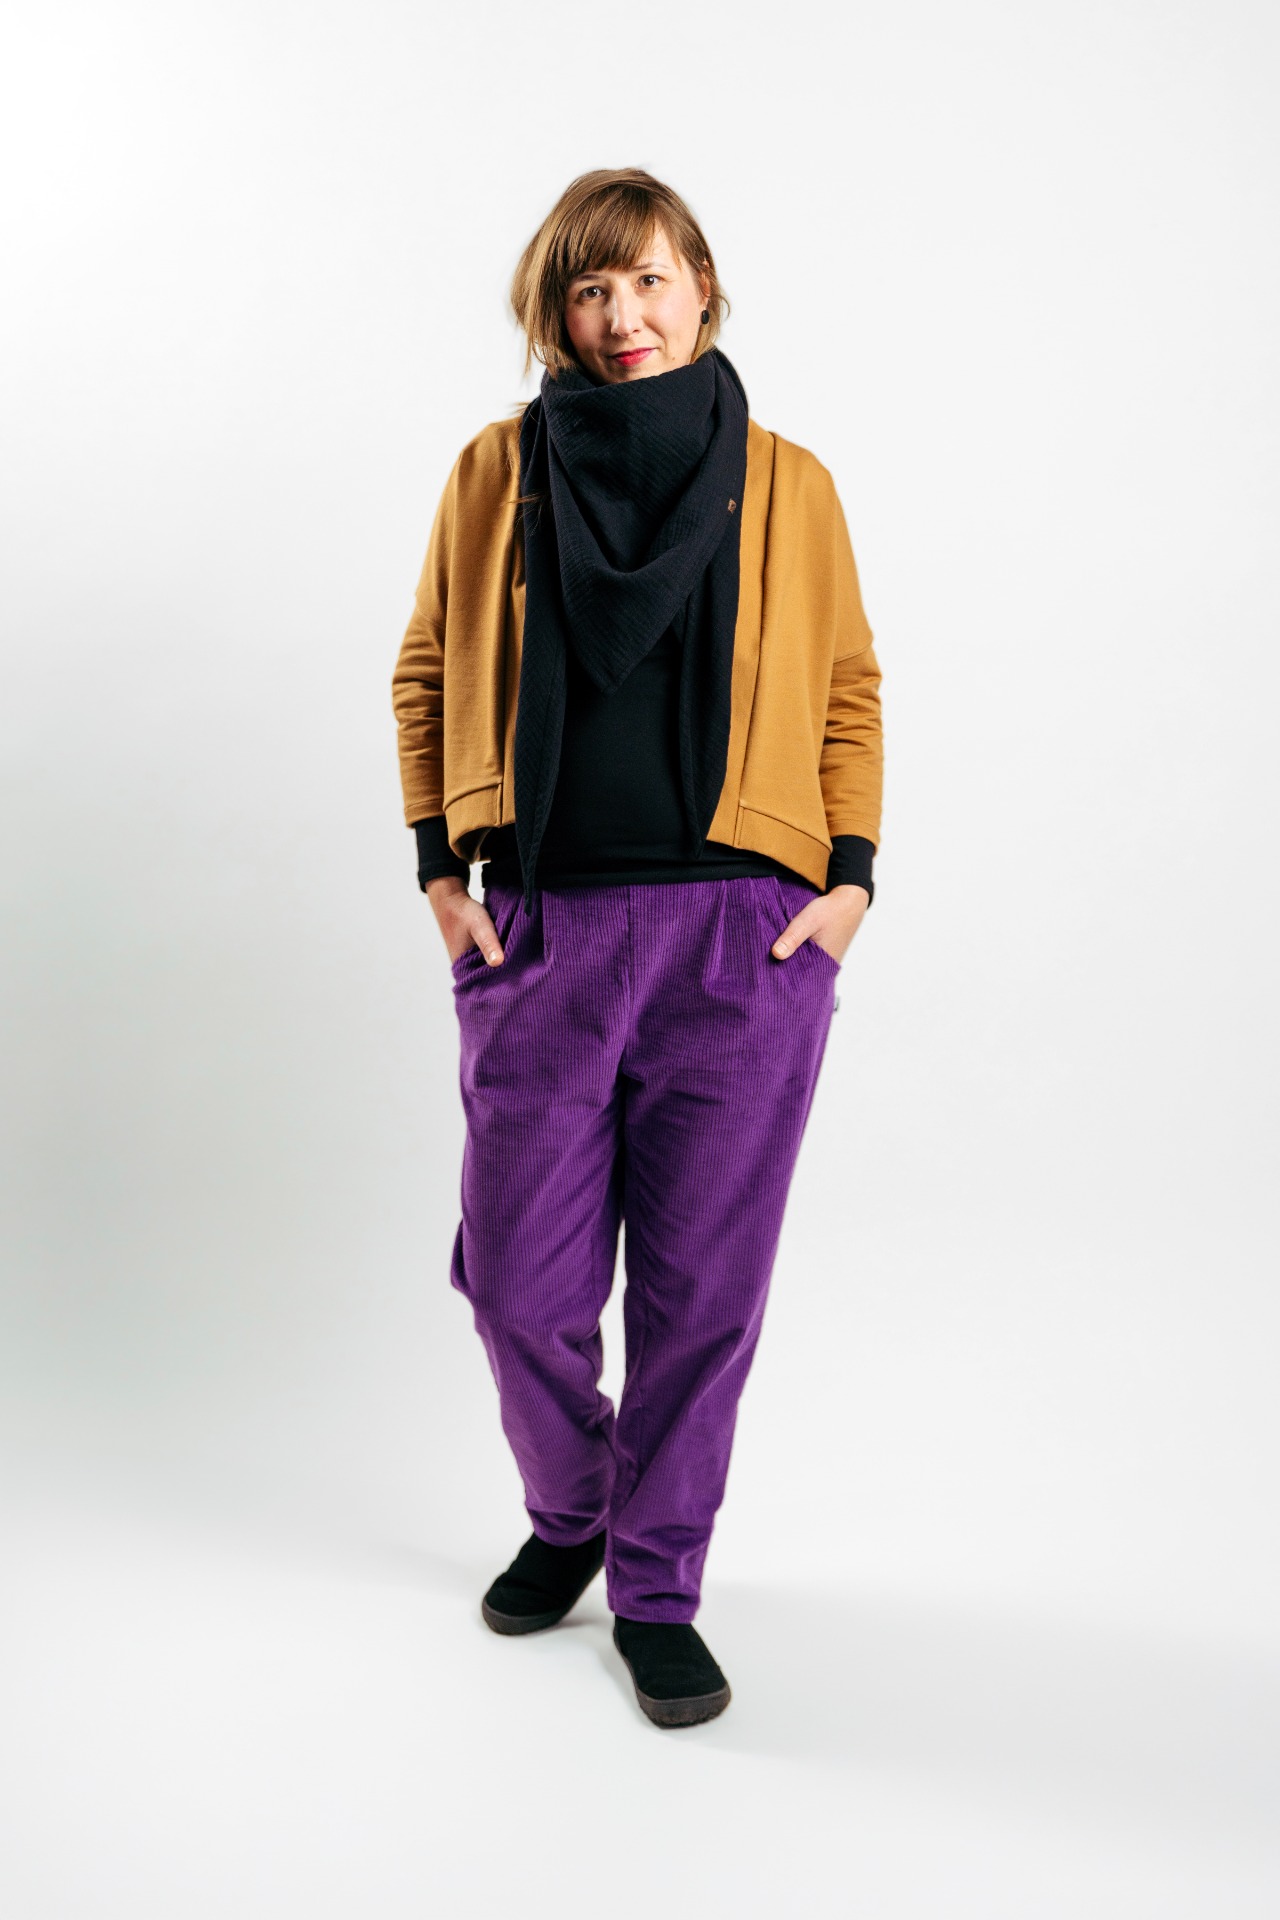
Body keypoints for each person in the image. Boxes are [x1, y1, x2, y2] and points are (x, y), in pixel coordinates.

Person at [390, 168, 884, 1728]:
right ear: (558, 311)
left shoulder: (790, 483)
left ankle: (657, 1585)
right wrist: (439, 869)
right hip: (539, 929)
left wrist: (850, 882)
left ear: (704, 289)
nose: (624, 316)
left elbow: (848, 688)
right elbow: (425, 666)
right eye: (592, 289)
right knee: (514, 1281)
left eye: (652, 280)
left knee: (699, 1294)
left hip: (744, 940)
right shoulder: (496, 472)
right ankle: (576, 1511)